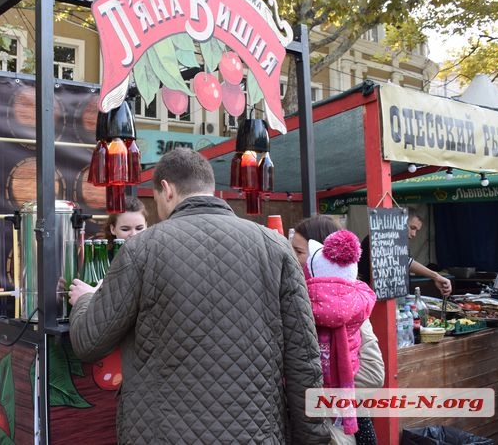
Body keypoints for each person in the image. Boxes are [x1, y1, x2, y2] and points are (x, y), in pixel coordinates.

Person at [69, 148, 329, 444]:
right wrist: (313, 438)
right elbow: (304, 361)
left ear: (166, 190)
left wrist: (85, 300)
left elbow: (90, 342)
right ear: (211, 188)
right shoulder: (277, 247)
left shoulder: (141, 250)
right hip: (258, 433)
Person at [292, 215, 384, 445]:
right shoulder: (295, 299)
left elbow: (373, 376)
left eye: (299, 252)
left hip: (334, 430)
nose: (292, 259)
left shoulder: (350, 306)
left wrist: (324, 380)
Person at [356, 207, 452, 297]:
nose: (414, 234)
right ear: (401, 222)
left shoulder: (393, 241)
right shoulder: (381, 238)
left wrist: (435, 276)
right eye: (412, 228)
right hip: (366, 297)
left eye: (417, 231)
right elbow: (405, 261)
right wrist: (436, 276)